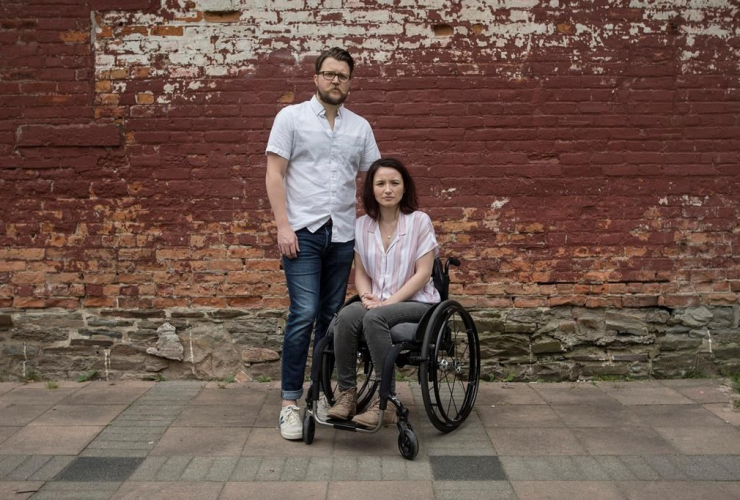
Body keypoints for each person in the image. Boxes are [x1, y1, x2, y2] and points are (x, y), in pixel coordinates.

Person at [265, 47, 381, 440]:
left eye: (342, 76)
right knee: (303, 313)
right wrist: (283, 227)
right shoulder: (291, 118)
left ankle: (321, 393)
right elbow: (275, 174)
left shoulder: (360, 128)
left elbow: (372, 182)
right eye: (329, 74)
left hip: (344, 235)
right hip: (303, 233)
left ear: (350, 82)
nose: (335, 81)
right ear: (315, 77)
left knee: (330, 321)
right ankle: (288, 404)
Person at [326, 157, 440, 427]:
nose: (387, 189)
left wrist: (388, 303)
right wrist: (365, 296)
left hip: (417, 303)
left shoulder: (419, 222)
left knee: (373, 318)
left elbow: (423, 273)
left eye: (394, 183)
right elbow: (361, 271)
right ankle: (347, 394)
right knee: (345, 316)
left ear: (404, 188)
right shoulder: (361, 225)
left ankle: (385, 400)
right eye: (380, 183)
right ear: (372, 190)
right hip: (376, 300)